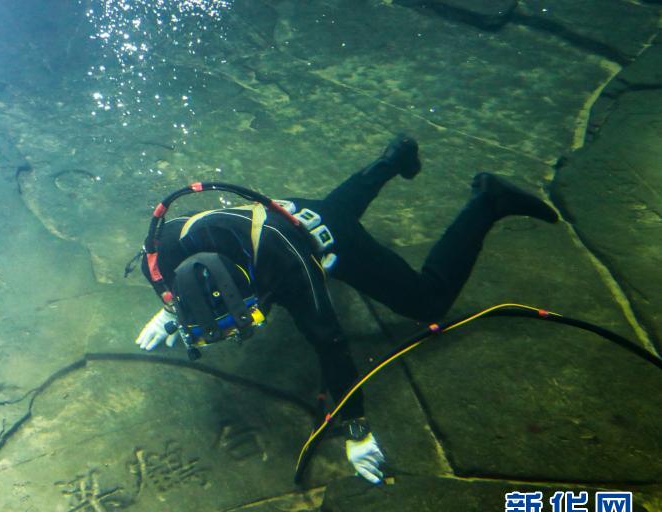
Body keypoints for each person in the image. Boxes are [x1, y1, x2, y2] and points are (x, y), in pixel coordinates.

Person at [134, 134, 558, 483]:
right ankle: (395, 158)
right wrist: (172, 313)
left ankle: (488, 201)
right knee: (334, 210)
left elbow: (331, 344)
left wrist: (357, 430)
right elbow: (174, 288)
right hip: (288, 214)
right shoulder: (160, 252)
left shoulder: (292, 271)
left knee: (426, 301)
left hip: (312, 238)